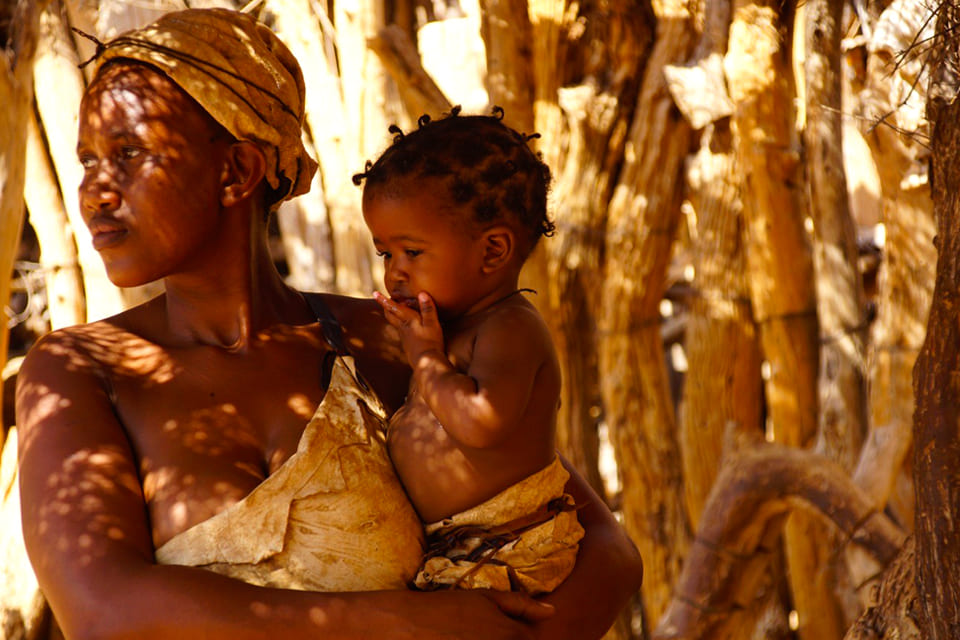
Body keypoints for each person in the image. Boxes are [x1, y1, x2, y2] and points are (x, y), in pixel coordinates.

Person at [14, 8, 642, 640]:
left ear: (237, 172)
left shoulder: (392, 340)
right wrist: (409, 623)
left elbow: (603, 554)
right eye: (88, 159)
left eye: (128, 153)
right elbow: (105, 613)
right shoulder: (78, 372)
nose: (94, 190)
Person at [355, 109, 583, 595]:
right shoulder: (446, 327)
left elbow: (482, 421)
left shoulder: (511, 328)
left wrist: (426, 360)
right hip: (454, 554)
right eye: (385, 255)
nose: (395, 272)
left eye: (411, 253)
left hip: (509, 554)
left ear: (493, 251)